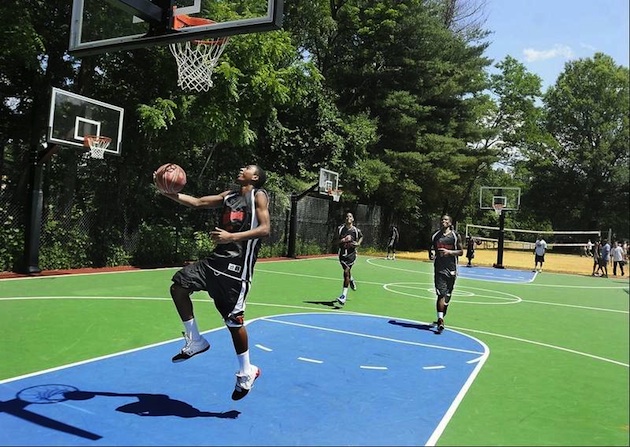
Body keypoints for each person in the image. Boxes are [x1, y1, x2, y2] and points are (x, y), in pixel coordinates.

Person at [157, 164, 270, 401]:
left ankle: (247, 371)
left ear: (255, 177)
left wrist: (231, 237)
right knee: (178, 286)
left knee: (233, 321)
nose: (241, 169)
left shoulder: (258, 195)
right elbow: (198, 202)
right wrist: (167, 191)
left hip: (236, 270)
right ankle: (195, 340)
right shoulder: (229, 195)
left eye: (247, 168)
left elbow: (265, 229)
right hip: (214, 262)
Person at [429, 214, 463, 334]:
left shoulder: (455, 236)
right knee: (441, 294)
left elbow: (461, 252)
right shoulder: (435, 235)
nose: (443, 221)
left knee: (447, 296)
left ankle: (442, 315)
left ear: (450, 222)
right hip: (439, 269)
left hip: (451, 269)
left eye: (446, 220)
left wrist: (449, 252)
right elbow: (432, 248)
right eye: (442, 219)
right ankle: (440, 320)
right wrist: (432, 253)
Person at [336, 212, 364, 306]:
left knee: (346, 272)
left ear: (353, 219)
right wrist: (342, 241)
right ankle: (351, 279)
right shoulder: (340, 229)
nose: (348, 217)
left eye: (350, 216)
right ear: (345, 219)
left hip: (351, 254)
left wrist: (358, 243)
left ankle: (343, 296)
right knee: (346, 272)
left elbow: (361, 237)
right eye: (347, 216)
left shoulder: (356, 230)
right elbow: (334, 241)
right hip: (342, 254)